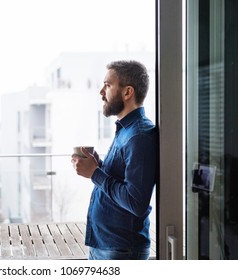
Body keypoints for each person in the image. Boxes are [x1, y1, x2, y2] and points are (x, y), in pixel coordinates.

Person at [71, 60, 158, 260]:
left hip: (120, 251)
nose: (101, 91)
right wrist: (98, 166)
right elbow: (122, 180)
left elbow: (136, 202)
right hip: (105, 246)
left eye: (107, 85)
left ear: (128, 92)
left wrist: (95, 173)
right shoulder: (126, 130)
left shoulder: (139, 136)